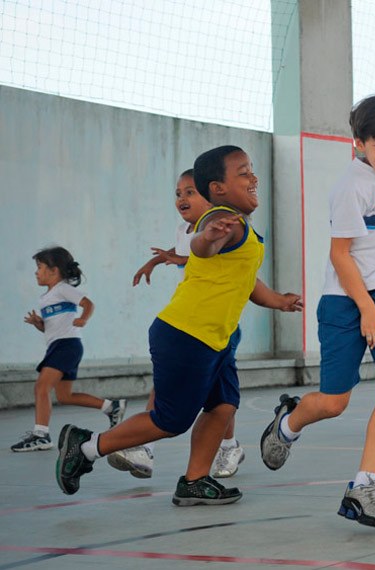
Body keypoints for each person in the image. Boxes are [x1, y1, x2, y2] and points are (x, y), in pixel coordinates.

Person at [55, 145, 303, 505]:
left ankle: (195, 480)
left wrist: (278, 300)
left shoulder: (240, 226)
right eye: (244, 172)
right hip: (187, 335)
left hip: (215, 339)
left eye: (252, 171)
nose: (254, 178)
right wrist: (208, 237)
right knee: (169, 420)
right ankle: (86, 447)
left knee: (223, 405)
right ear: (217, 188)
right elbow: (202, 246)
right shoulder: (217, 219)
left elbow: (246, 280)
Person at [259, 89, 375, 529]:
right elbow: (342, 256)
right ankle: (288, 423)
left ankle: (364, 486)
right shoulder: (349, 187)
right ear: (358, 143)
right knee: (334, 402)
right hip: (345, 299)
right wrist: (365, 309)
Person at [115, 170, 245, 480]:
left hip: (218, 324)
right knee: (205, 393)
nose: (182, 199)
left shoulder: (222, 227)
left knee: (223, 400)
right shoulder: (186, 228)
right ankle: (146, 449)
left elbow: (202, 253)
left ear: (210, 196)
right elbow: (188, 253)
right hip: (191, 322)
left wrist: (173, 259)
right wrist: (156, 261)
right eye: (178, 193)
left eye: (190, 192)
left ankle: (229, 445)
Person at [13, 247, 126, 452]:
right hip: (61, 345)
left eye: (39, 267)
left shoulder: (63, 289)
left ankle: (41, 435)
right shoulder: (45, 298)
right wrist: (38, 323)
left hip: (67, 345)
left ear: (54, 271)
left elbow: (88, 303)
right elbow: (49, 328)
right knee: (65, 396)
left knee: (41, 387)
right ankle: (111, 407)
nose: (36, 272)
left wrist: (83, 318)